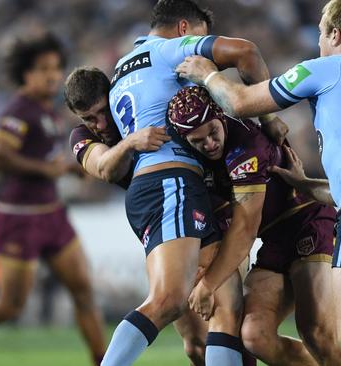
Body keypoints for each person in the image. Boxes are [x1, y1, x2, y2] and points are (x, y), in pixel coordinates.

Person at [177, 1, 341, 364]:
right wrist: (307, 184)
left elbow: (241, 101)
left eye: (321, 33)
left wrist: (207, 74)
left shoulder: (329, 68)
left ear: (334, 34)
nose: (319, 41)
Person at [102, 1, 274, 365]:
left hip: (156, 187)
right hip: (171, 183)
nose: (202, 47)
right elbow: (247, 51)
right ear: (184, 28)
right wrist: (269, 121)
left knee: (225, 301)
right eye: (200, 36)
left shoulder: (120, 71)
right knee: (168, 300)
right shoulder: (168, 50)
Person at [168, 86, 341, 365]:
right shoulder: (194, 161)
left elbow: (245, 228)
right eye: (198, 141)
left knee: (317, 333)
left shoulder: (247, 145)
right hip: (274, 241)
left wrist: (209, 284)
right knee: (253, 336)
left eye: (213, 132)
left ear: (220, 115)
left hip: (308, 223)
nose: (210, 144)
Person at [64, 66, 211, 366]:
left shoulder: (140, 102)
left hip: (191, 200)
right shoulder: (81, 137)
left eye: (103, 111)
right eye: (89, 118)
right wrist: (130, 142)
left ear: (113, 97)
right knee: (194, 339)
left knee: (214, 324)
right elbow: (104, 168)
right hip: (162, 213)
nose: (101, 123)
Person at [0, 33, 106, 365]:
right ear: (25, 73)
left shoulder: (45, 109)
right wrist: (48, 170)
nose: (52, 74)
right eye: (43, 68)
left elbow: (46, 160)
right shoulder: (19, 110)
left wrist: (64, 169)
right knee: (10, 307)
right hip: (19, 219)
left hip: (53, 215)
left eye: (56, 67)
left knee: (84, 292)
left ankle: (105, 361)